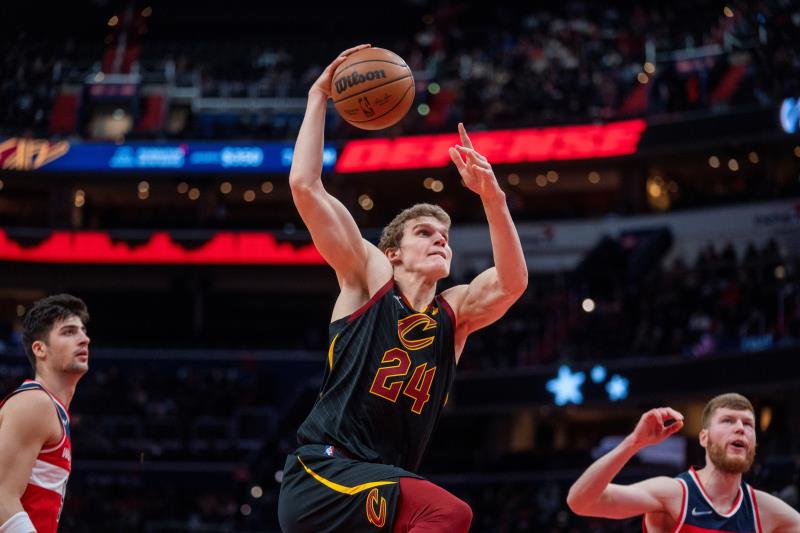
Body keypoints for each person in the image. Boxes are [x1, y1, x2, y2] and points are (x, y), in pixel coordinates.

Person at [277, 44, 528, 532]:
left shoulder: (453, 312)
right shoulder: (369, 277)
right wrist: (317, 97)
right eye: (425, 233)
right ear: (393, 252)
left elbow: (512, 283)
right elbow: (305, 186)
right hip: (325, 474)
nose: (440, 240)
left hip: (379, 485)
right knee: (449, 512)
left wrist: (493, 199)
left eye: (445, 236)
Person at [567, 393, 800, 532]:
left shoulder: (766, 510)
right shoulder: (673, 494)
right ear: (704, 438)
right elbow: (581, 502)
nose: (740, 428)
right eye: (728, 421)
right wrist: (634, 442)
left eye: (748, 424)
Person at [0, 295, 91, 533]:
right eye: (69, 332)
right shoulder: (35, 403)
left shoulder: (52, 410)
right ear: (40, 349)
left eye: (83, 331)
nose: (84, 339)